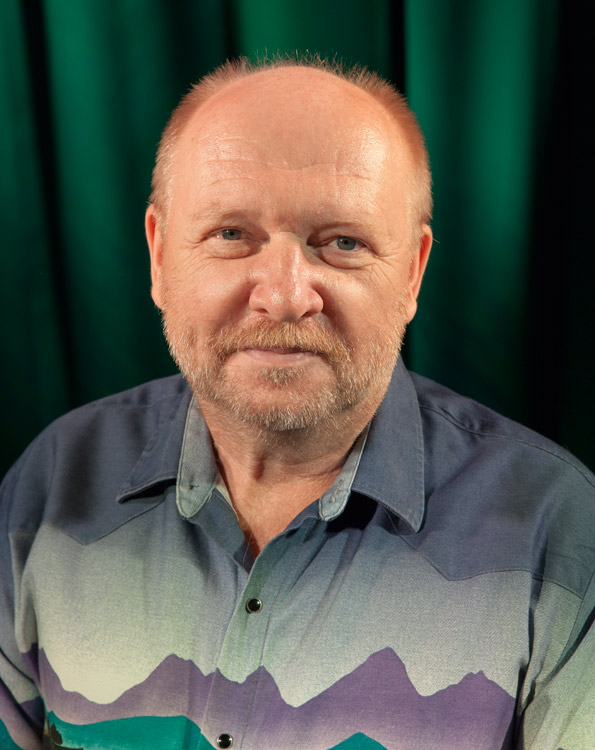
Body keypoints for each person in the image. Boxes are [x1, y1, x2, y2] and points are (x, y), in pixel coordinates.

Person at [1, 57, 593, 750]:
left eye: (341, 243)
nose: (283, 297)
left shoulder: (558, 532)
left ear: (411, 273)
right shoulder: (49, 483)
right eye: (231, 235)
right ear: (160, 258)